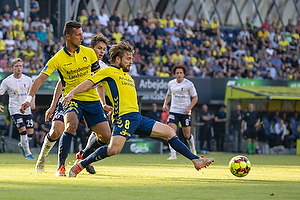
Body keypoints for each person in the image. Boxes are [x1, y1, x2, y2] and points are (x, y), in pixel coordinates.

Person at [62, 41, 214, 177]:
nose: (131, 62)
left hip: (137, 118)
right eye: (128, 59)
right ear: (117, 59)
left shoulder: (128, 77)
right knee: (113, 149)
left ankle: (195, 160)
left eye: (131, 59)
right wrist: (72, 92)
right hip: (124, 118)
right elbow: (89, 83)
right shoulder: (108, 71)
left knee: (169, 132)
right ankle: (81, 164)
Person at [19, 21, 111, 177]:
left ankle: (82, 156)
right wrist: (29, 98)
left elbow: (98, 80)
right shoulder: (58, 58)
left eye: (82, 34)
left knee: (106, 136)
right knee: (65, 128)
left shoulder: (89, 54)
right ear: (68, 37)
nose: (82, 37)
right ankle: (59, 166)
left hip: (91, 99)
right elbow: (41, 79)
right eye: (78, 34)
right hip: (70, 99)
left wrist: (105, 102)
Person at [0, 58, 35, 159]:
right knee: (22, 129)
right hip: (15, 108)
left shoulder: (28, 79)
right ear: (12, 68)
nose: (19, 68)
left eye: (20, 66)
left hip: (26, 108)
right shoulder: (7, 81)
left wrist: (33, 102)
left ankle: (22, 144)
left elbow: (32, 92)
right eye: (16, 66)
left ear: (23, 67)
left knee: (30, 133)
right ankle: (28, 153)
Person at [162, 64, 198, 160]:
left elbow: (195, 97)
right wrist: (165, 104)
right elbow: (168, 94)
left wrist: (189, 108)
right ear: (174, 74)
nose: (179, 74)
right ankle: (173, 154)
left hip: (185, 112)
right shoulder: (171, 83)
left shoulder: (188, 84)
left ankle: (193, 148)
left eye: (181, 73)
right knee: (170, 132)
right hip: (174, 111)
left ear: (184, 74)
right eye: (177, 73)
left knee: (186, 135)